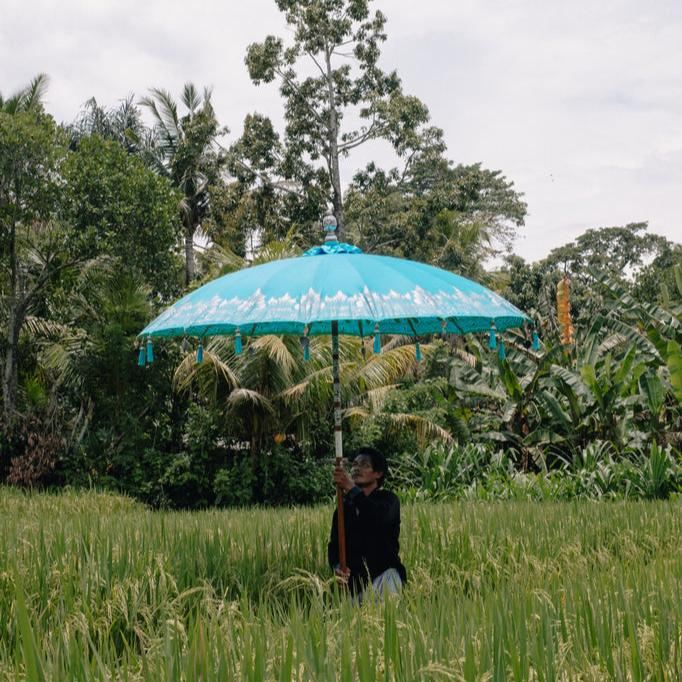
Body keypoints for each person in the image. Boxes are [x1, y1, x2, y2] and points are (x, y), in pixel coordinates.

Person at [327, 447, 407, 599]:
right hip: (354, 587)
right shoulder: (343, 510)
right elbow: (334, 547)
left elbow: (377, 518)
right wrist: (337, 567)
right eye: (354, 465)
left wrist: (351, 488)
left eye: (364, 465)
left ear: (378, 473)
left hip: (385, 578)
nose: (356, 468)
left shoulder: (388, 500)